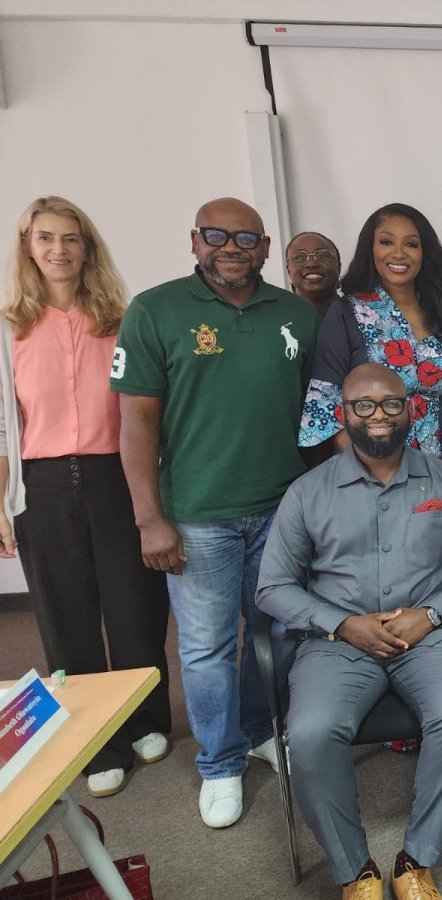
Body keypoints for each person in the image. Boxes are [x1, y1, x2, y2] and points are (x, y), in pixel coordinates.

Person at [257, 363, 442, 900]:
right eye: (363, 405)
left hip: (430, 636)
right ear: (343, 413)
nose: (378, 415)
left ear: (410, 409)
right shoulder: (308, 491)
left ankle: (417, 859)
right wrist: (342, 623)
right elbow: (272, 587)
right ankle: (355, 871)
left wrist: (432, 613)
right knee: (310, 732)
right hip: (338, 643)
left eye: (390, 403)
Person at [112, 197, 319, 829]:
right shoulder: (156, 310)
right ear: (194, 240)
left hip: (281, 509)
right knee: (206, 647)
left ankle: (259, 732)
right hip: (197, 516)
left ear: (265, 247)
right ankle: (220, 762)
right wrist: (149, 519)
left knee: (276, 632)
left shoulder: (294, 314)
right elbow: (136, 421)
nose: (231, 248)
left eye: (246, 238)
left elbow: (313, 412)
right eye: (216, 235)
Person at [0, 196, 171, 799]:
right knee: (64, 617)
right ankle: (99, 743)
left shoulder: (122, 321)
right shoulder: (9, 328)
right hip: (43, 485)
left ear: (87, 247)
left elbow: (148, 410)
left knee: (135, 606)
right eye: (45, 238)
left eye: (70, 238)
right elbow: (2, 425)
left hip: (116, 477)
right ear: (28, 247)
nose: (58, 249)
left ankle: (146, 720)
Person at [297, 204, 442, 468]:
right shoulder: (347, 314)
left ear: (424, 252)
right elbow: (324, 405)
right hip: (371, 476)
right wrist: (381, 475)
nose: (399, 253)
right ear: (370, 249)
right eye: (386, 242)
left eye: (411, 244)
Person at [286, 231, 341, 319]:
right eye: (299, 257)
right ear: (288, 271)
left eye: (323, 256)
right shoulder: (278, 319)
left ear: (338, 267)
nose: (311, 264)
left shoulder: (360, 315)